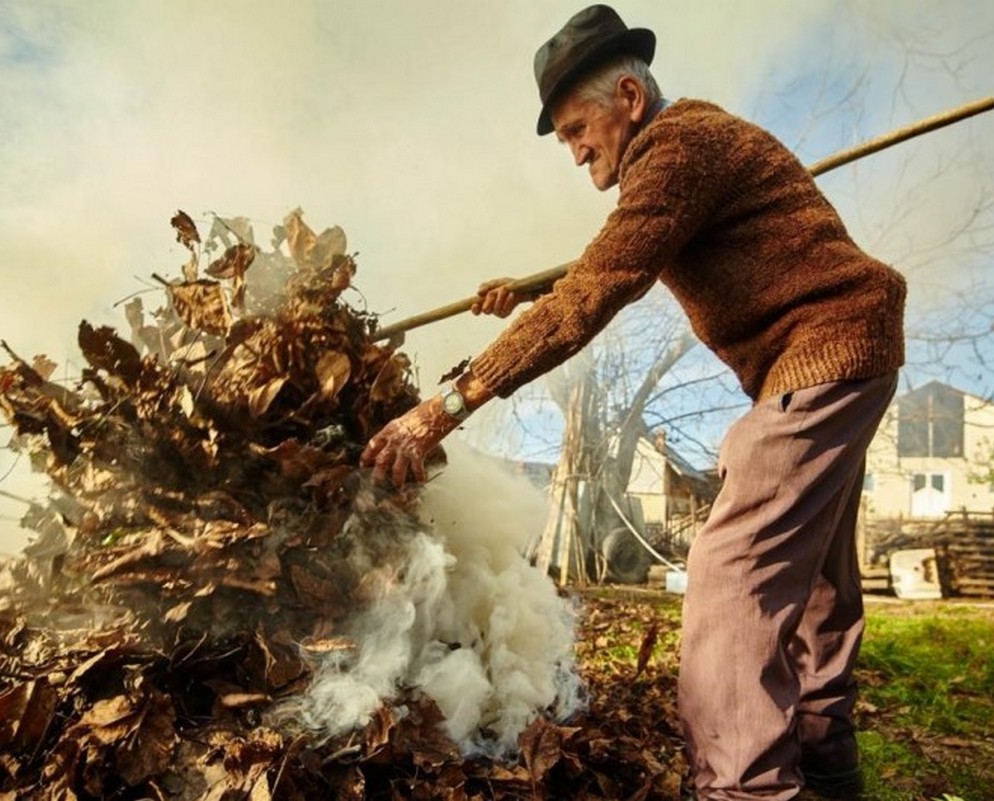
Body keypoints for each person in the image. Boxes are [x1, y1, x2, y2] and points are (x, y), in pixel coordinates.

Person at [361, 5, 904, 800]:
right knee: (818, 578)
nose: (575, 151)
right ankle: (828, 765)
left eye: (579, 128)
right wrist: (523, 289)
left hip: (822, 356)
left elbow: (594, 292)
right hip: (853, 350)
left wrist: (445, 402)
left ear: (629, 96)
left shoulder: (678, 149)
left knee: (732, 576)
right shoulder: (686, 153)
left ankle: (744, 788)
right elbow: (601, 261)